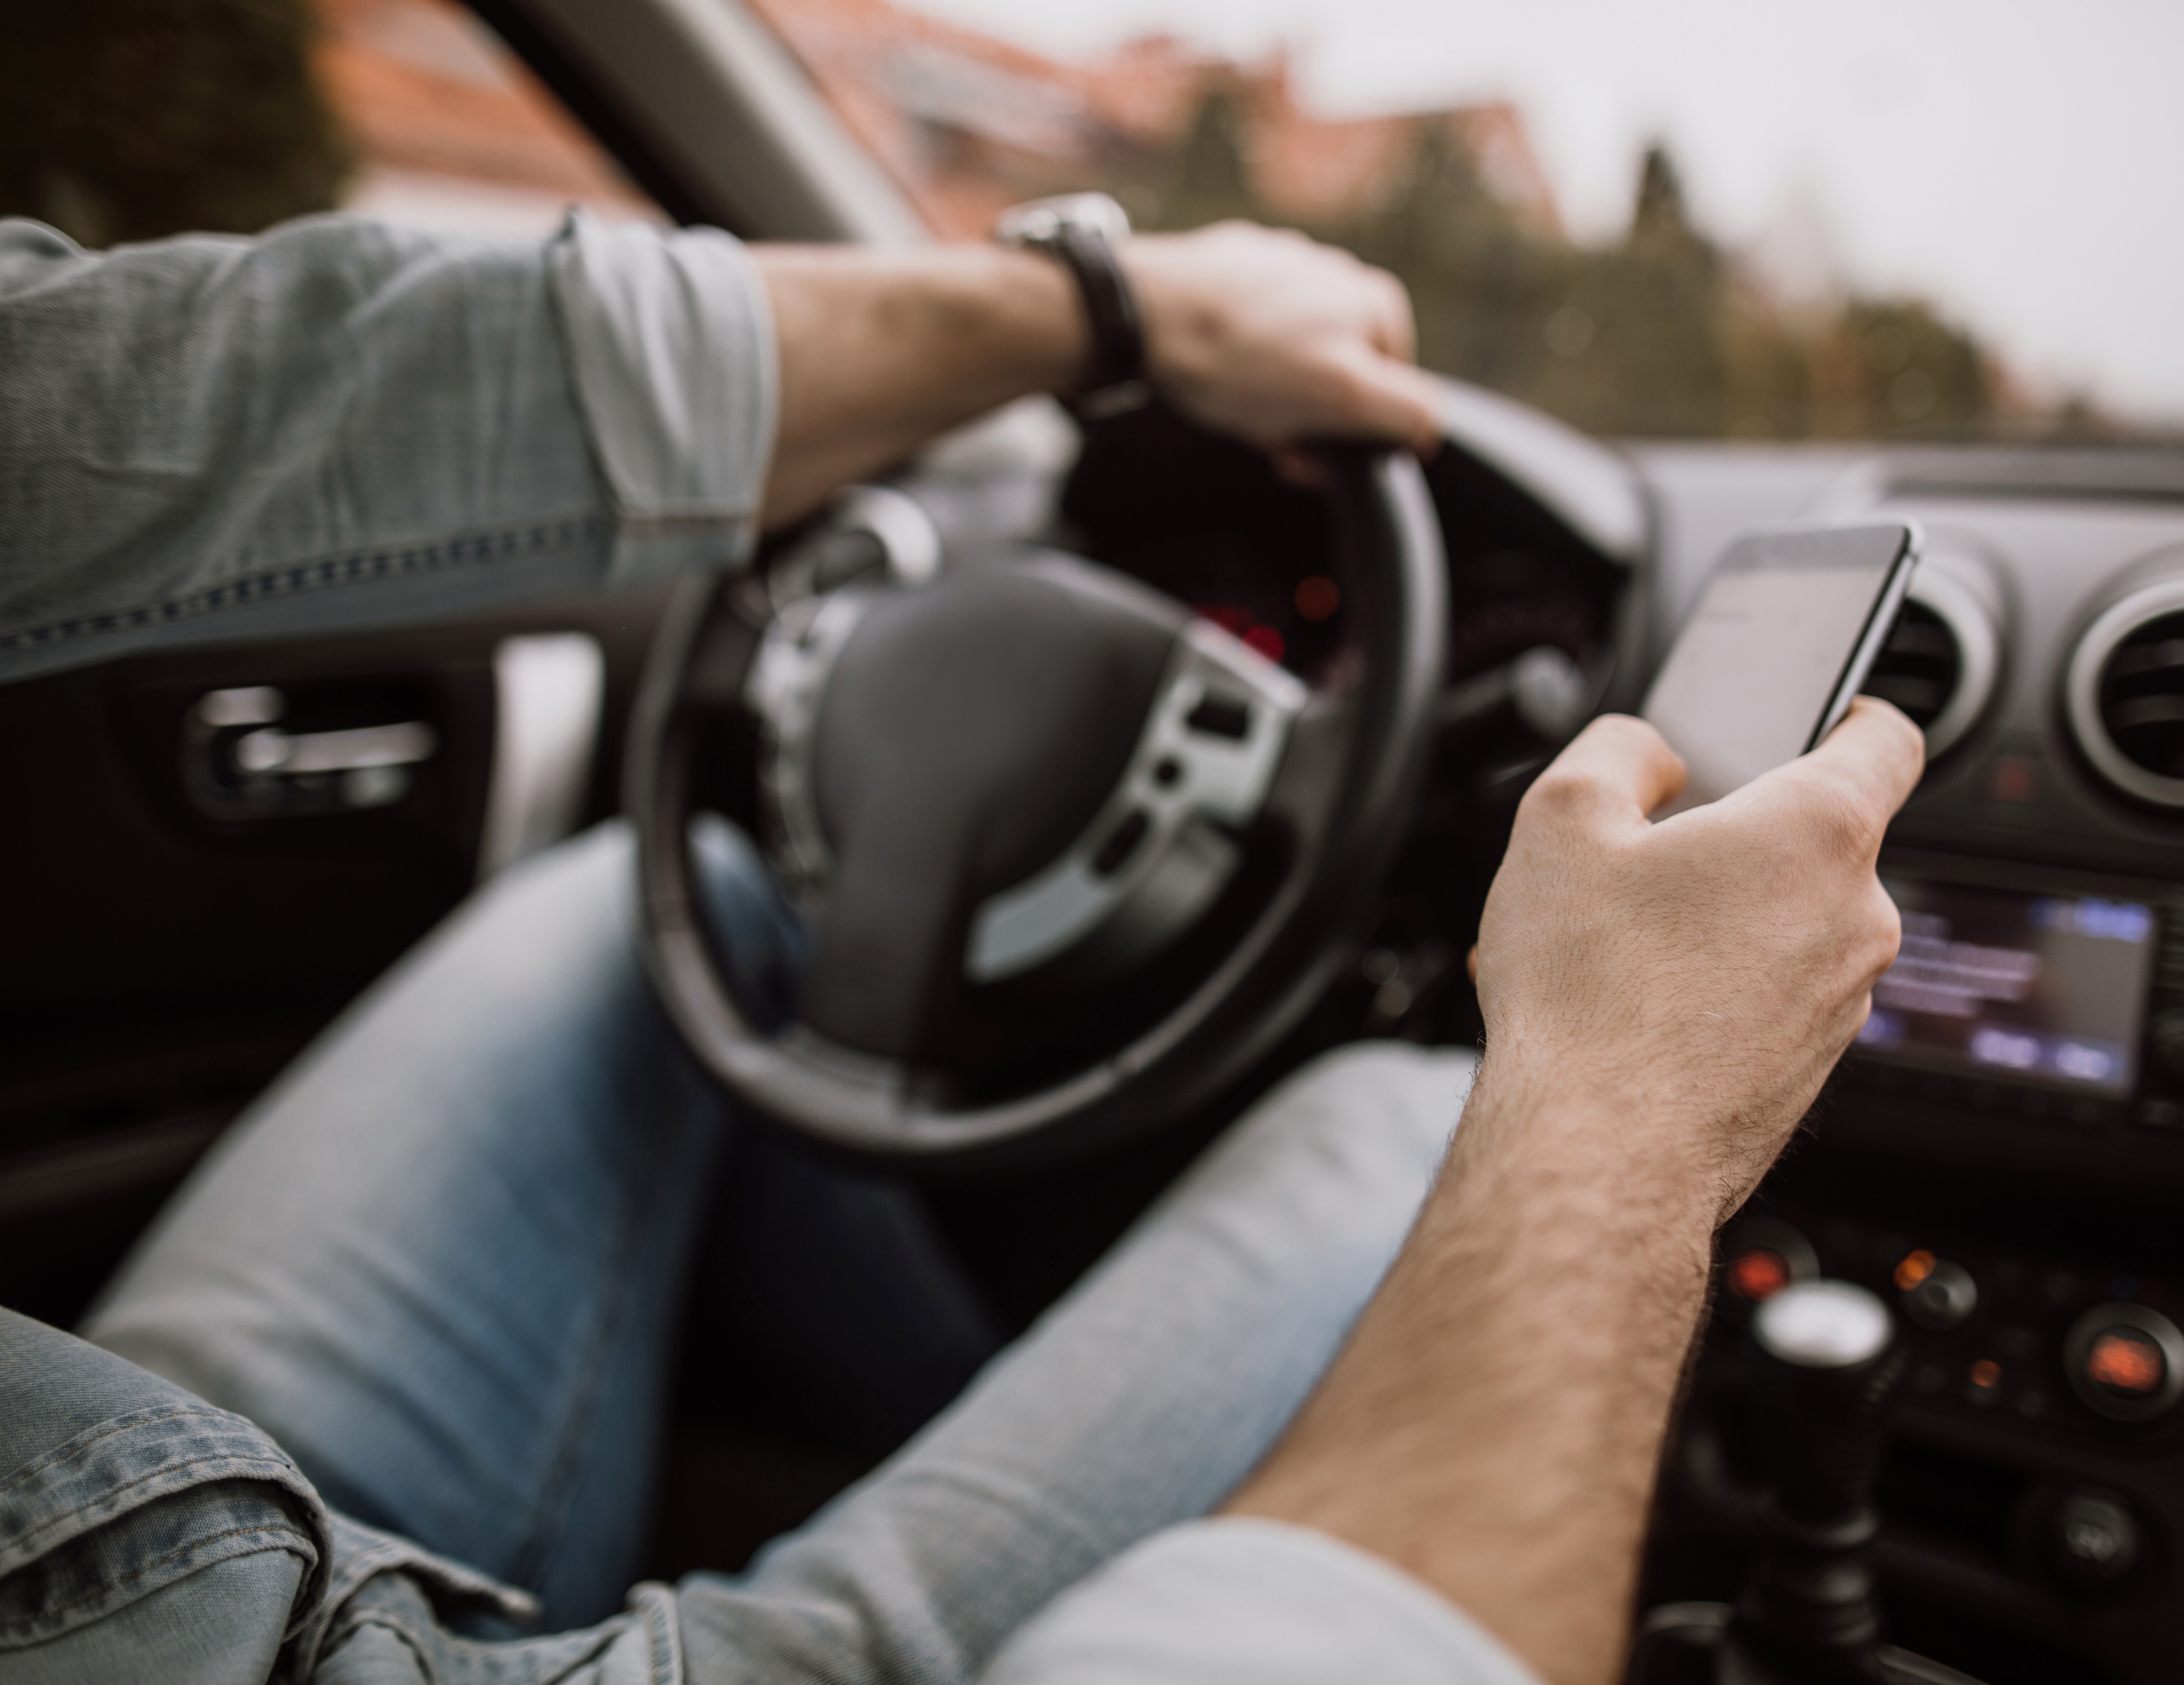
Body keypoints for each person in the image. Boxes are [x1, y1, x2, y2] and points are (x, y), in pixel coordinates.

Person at [0, 205, 1920, 1685]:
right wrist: (1620, 1115)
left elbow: (99, 387)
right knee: (1412, 1116)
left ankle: (999, 1402)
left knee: (663, 916)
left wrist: (1100, 311)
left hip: (118, 1529)